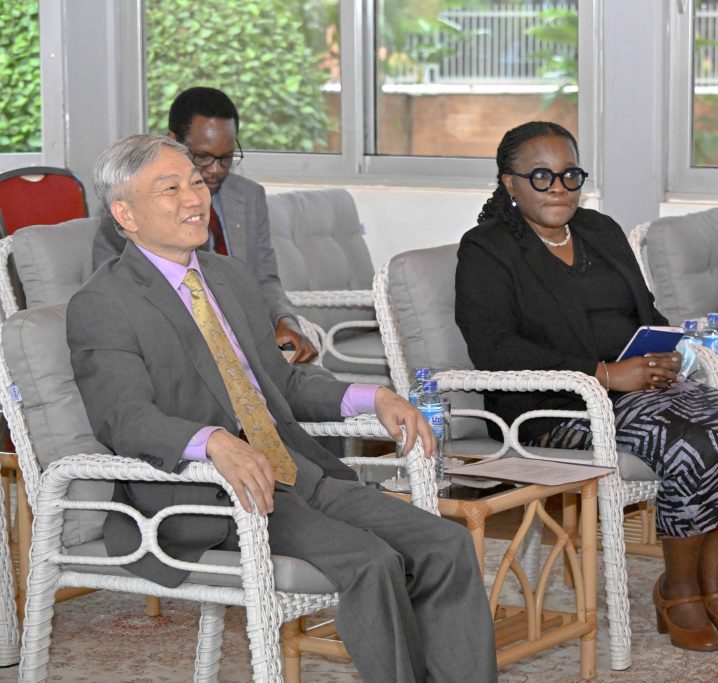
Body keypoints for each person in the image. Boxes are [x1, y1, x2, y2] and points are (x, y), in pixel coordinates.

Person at [69, 133, 498, 683]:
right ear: (124, 213)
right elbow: (123, 418)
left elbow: (283, 384)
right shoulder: (103, 304)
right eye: (169, 189)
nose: (194, 199)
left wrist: (377, 396)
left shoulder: (228, 277)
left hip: (297, 470)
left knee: (445, 542)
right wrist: (213, 441)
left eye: (196, 182)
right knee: (372, 562)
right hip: (214, 498)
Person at [455, 121, 718, 652]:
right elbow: (494, 348)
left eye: (569, 175)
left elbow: (645, 311)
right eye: (540, 176)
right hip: (555, 410)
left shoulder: (600, 230)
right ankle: (677, 591)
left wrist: (663, 354)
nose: (559, 188)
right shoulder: (487, 249)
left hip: (636, 387)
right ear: (509, 184)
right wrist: (604, 375)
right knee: (689, 441)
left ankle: (714, 588)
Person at [92, 87, 318, 364]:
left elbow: (265, 279)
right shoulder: (135, 205)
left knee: (324, 390)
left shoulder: (249, 196)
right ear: (173, 141)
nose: (215, 170)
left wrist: (284, 320)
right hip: (181, 347)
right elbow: (118, 293)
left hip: (250, 340)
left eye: (226, 158)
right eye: (202, 157)